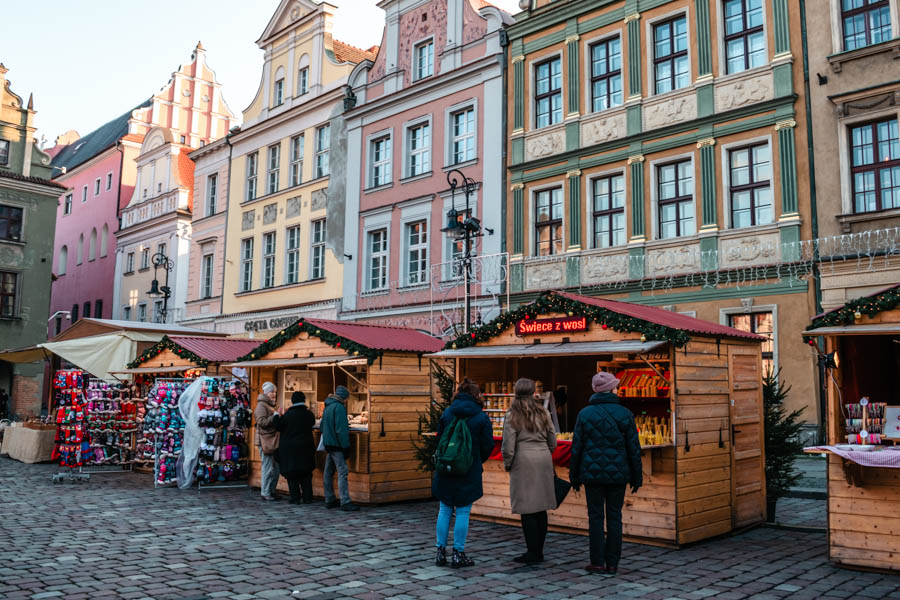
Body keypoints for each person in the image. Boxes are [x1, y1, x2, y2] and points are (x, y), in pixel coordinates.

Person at [569, 371, 642, 575]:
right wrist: (637, 476)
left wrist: (574, 476)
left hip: (592, 475)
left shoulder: (584, 414)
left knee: (595, 517)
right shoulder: (625, 414)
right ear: (612, 389)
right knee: (614, 517)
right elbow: (633, 449)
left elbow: (577, 448)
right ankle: (612, 563)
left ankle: (597, 562)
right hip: (618, 474)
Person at [432, 378, 494, 569]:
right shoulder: (481, 416)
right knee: (463, 511)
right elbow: (487, 446)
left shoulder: (448, 412)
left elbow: (440, 439)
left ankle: (440, 551)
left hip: (446, 468)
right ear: (476, 395)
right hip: (468, 469)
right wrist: (475, 461)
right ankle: (458, 553)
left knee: (444, 509)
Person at [502, 378, 557, 564]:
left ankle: (532, 552)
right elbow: (553, 441)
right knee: (541, 508)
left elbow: (508, 446)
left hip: (523, 461)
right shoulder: (543, 412)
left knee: (527, 509)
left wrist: (508, 463)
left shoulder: (513, 414)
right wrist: (544, 453)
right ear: (533, 392)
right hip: (543, 459)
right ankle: (539, 550)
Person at [320, 385, 358, 511]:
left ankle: (329, 498)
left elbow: (321, 427)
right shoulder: (339, 408)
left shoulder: (328, 406)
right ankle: (345, 501)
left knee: (328, 472)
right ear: (344, 398)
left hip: (328, 444)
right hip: (337, 444)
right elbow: (342, 430)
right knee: (342, 471)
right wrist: (345, 447)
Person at [276, 391, 316, 504]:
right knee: (306, 474)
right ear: (303, 400)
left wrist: (276, 415)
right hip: (306, 448)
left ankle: (295, 498)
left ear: (292, 401)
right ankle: (308, 498)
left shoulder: (288, 415)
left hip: (290, 449)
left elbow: (278, 426)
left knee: (292, 475)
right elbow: (312, 423)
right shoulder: (309, 414)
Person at [254, 381, 281, 501]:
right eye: (272, 392)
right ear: (266, 393)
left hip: (271, 440)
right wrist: (275, 416)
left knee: (275, 468)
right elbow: (261, 422)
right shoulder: (261, 406)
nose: (274, 394)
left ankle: (271, 490)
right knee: (268, 467)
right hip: (265, 440)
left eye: (275, 392)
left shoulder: (270, 404)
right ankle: (265, 492)